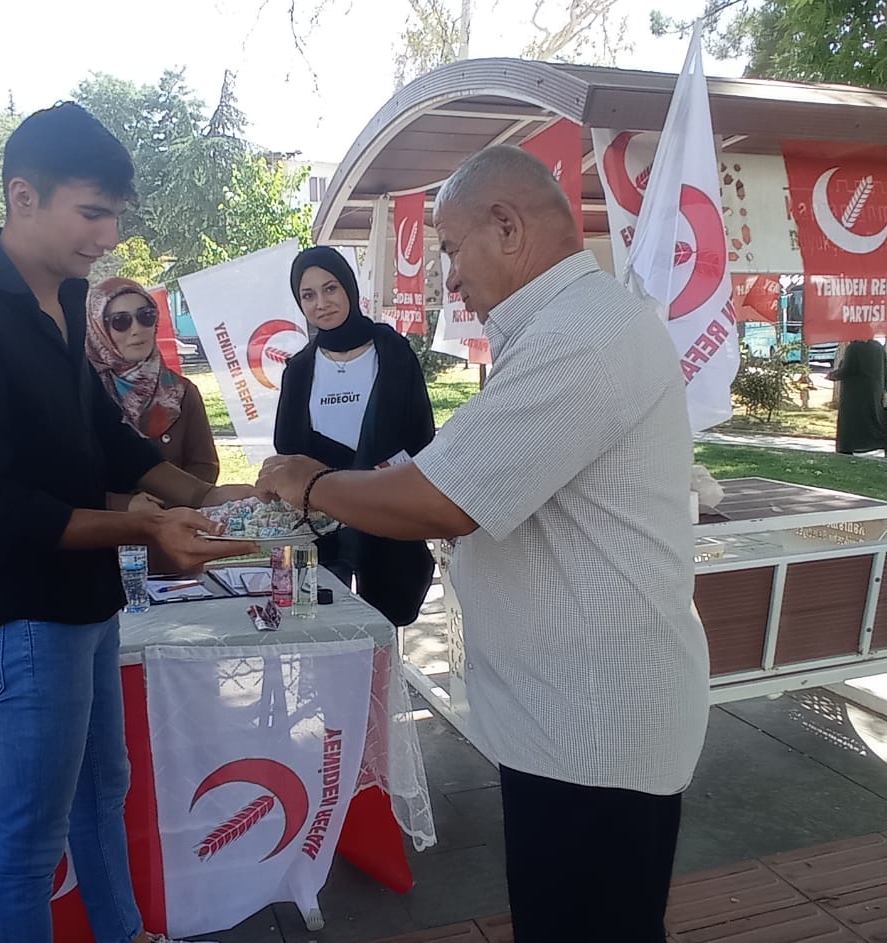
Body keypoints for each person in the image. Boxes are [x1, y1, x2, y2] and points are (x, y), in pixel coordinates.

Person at [257, 145, 707, 943]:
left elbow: (443, 496)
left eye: (453, 249)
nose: (451, 277)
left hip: (594, 725)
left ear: (506, 225)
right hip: (574, 717)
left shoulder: (579, 336)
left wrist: (311, 483)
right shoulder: (570, 325)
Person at [0, 102, 255, 943]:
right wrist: (147, 530)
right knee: (30, 838)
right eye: (92, 212)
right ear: (23, 196)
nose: (108, 236)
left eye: (115, 215)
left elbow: (109, 440)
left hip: (88, 601)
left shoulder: (64, 297)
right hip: (22, 613)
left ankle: (125, 932)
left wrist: (213, 498)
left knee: (104, 792)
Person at [273, 247, 436, 627]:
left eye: (330, 288)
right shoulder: (299, 369)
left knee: (383, 631)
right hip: (322, 529)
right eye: (308, 295)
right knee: (323, 630)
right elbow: (288, 450)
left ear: (349, 287)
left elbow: (420, 434)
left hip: (387, 516)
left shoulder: (393, 353)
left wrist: (375, 483)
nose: (321, 303)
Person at [86, 276, 218, 512]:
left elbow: (204, 466)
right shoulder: (83, 392)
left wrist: (167, 509)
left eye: (146, 316)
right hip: (104, 528)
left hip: (174, 524)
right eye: (121, 321)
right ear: (97, 329)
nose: (137, 330)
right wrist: (124, 505)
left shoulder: (180, 391)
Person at [829, 338, 887, 456]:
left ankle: (846, 446)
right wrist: (885, 387)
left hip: (854, 393)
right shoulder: (878, 346)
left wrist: (832, 375)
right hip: (874, 391)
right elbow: (885, 369)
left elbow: (848, 369)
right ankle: (884, 439)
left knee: (850, 421)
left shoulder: (853, 348)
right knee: (871, 418)